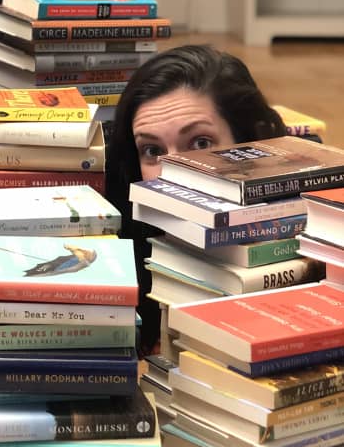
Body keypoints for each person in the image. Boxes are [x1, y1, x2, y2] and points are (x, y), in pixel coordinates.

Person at [103, 43, 287, 355]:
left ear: (249, 145)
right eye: (153, 151)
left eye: (200, 143)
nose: (174, 171)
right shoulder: (125, 250)